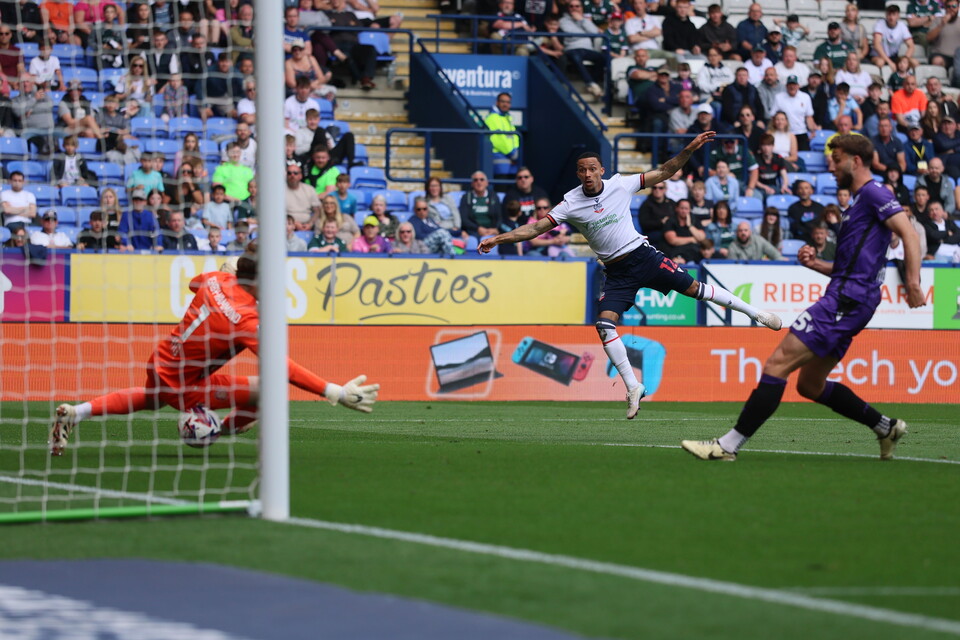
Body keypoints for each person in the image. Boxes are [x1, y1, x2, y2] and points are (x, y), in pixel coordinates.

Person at [479, 132, 783, 419]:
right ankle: (633, 386)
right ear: (577, 174)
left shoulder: (620, 184)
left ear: (602, 170)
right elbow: (534, 228)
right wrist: (497, 238)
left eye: (592, 169)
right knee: (603, 324)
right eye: (582, 170)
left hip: (643, 257)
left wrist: (689, 149)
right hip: (616, 271)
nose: (587, 175)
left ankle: (756, 313)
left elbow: (665, 171)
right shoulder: (570, 202)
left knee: (695, 289)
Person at [681, 134, 924, 462]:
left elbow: (908, 232)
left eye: (837, 158)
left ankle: (727, 446)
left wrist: (912, 283)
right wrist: (815, 264)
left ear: (855, 161)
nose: (831, 165)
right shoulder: (856, 205)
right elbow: (849, 266)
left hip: (847, 299)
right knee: (810, 385)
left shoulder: (874, 193)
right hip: (848, 294)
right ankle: (885, 426)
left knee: (777, 362)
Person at [49, 243, 380, 456]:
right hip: (186, 385)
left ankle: (77, 413)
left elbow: (194, 282)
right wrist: (333, 391)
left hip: (162, 360)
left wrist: (226, 275)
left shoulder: (214, 280)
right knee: (268, 390)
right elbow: (282, 366)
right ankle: (213, 429)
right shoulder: (248, 319)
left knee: (151, 399)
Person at [559, 1, 607, 98]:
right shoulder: (563, 20)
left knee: (603, 58)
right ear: (568, 8)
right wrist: (586, 30)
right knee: (576, 57)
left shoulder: (584, 19)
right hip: (572, 48)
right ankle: (591, 84)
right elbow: (572, 35)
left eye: (577, 6)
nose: (574, 8)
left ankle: (592, 82)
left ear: (581, 8)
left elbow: (594, 32)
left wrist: (581, 20)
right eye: (571, 6)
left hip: (587, 49)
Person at [773, 75, 816, 151]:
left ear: (798, 86)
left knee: (803, 157)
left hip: (801, 132)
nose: (792, 87)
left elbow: (809, 116)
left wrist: (812, 130)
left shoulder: (805, 97)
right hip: (784, 133)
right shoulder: (779, 97)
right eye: (790, 85)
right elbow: (773, 116)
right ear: (786, 86)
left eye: (794, 85)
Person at [872, 5, 916, 71]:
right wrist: (889, 62)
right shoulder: (880, 24)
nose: (891, 17)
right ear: (886, 15)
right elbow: (877, 44)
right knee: (880, 62)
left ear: (898, 16)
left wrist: (905, 60)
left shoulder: (902, 26)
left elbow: (911, 46)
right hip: (879, 55)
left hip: (894, 56)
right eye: (889, 14)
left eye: (894, 14)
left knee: (915, 63)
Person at [460, 171, 502, 239]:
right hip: (473, 231)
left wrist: (495, 229)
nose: (479, 182)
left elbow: (500, 216)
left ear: (487, 183)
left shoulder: (494, 196)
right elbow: (464, 219)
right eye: (475, 180)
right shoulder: (466, 197)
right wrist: (478, 228)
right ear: (472, 184)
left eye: (482, 179)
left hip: (492, 231)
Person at [119, 186, 159, 252]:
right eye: (136, 199)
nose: (138, 202)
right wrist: (127, 243)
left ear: (145, 202)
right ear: (132, 201)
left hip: (148, 251)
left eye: (141, 200)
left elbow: (156, 233)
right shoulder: (126, 215)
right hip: (131, 251)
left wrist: (157, 245)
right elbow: (122, 232)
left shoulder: (150, 215)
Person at [484, 92, 520, 163]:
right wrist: (512, 153)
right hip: (498, 155)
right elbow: (497, 139)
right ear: (497, 102)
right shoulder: (492, 118)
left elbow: (514, 137)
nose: (505, 104)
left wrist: (516, 150)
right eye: (503, 102)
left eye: (508, 102)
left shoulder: (507, 118)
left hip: (512, 156)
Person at [285, 160, 321, 231]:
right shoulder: (279, 191)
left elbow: (317, 211)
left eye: (295, 173)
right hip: (286, 225)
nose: (292, 175)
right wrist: (293, 223)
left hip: (307, 225)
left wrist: (310, 224)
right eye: (289, 173)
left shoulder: (309, 189)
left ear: (300, 176)